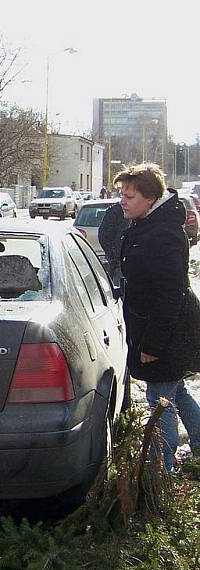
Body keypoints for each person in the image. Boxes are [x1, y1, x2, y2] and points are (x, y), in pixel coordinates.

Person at [117, 163, 200, 473]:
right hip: (157, 325)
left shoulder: (163, 234)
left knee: (159, 398)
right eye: (121, 194)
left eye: (129, 196)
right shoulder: (146, 225)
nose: (122, 201)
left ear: (150, 198)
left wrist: (152, 344)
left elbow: (169, 295)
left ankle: (160, 472)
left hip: (168, 330)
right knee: (174, 391)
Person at [98, 201, 130, 286]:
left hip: (130, 261)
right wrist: (113, 252)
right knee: (118, 289)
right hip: (118, 261)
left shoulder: (149, 211)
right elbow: (103, 235)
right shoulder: (116, 211)